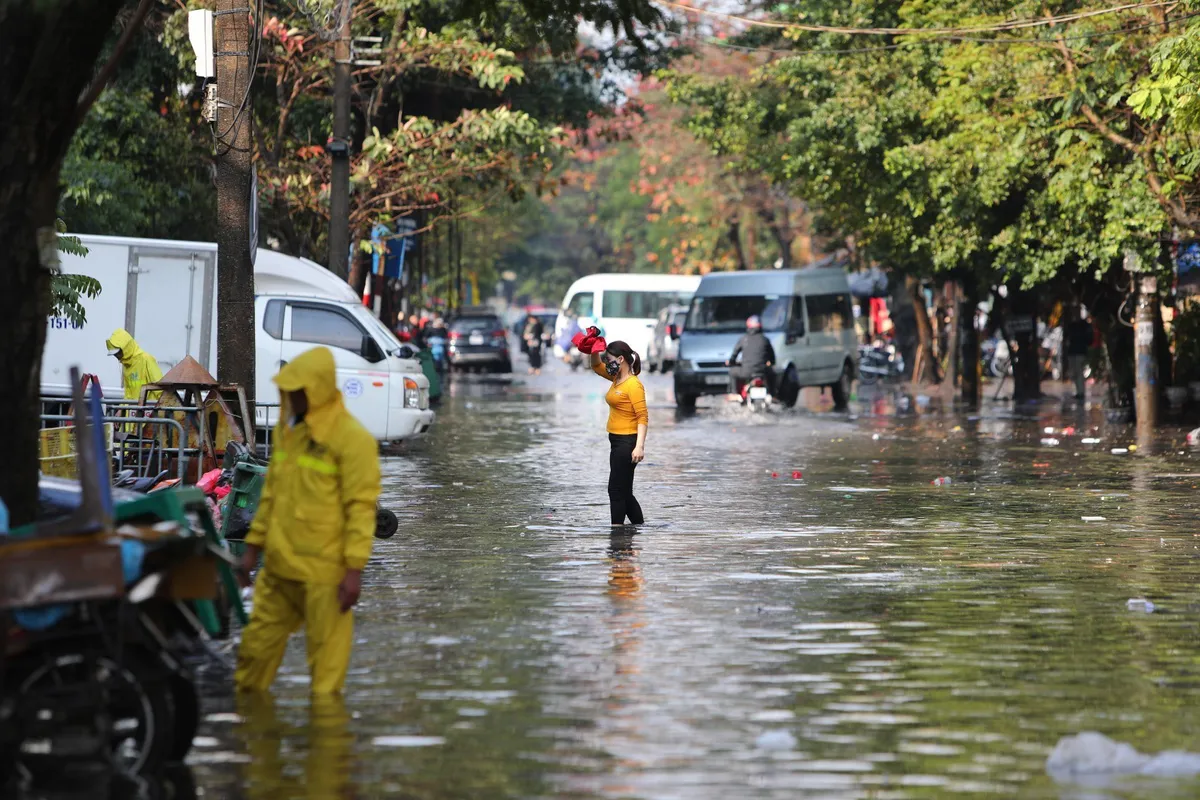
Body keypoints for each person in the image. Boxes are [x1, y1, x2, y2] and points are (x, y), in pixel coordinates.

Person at [235, 346, 382, 696]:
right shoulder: (291, 433)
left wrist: (353, 572)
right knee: (251, 666)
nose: (289, 397)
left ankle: (327, 747)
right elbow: (271, 495)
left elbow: (361, 509)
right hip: (280, 571)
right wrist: (251, 551)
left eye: (297, 390)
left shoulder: (353, 440)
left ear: (315, 389)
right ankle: (253, 742)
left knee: (325, 684)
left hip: (326, 578)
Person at [589, 339, 648, 526]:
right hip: (615, 441)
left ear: (621, 359)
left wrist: (639, 447)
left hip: (628, 442)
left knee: (615, 490)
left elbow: (642, 418)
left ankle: (617, 535)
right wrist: (593, 349)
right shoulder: (616, 378)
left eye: (610, 359)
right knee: (624, 491)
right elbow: (596, 366)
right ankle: (638, 528)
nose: (607, 363)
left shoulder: (633, 385)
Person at [105, 328, 163, 401]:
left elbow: (160, 387)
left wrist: (162, 408)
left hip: (149, 409)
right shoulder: (127, 365)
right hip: (135, 409)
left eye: (118, 353)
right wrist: (122, 409)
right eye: (115, 354)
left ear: (126, 347)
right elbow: (128, 394)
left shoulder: (146, 359)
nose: (117, 356)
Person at [726, 315, 776, 397]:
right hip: (763, 371)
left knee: (732, 371)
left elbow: (734, 354)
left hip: (746, 372)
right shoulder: (765, 339)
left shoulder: (743, 339)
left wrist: (731, 362)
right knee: (772, 373)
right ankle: (772, 394)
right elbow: (772, 357)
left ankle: (734, 394)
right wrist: (771, 363)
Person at [1065, 307, 1095, 400]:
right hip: (1073, 351)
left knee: (1078, 372)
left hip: (1080, 352)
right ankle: (1079, 391)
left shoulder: (1084, 325)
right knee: (1074, 373)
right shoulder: (1071, 325)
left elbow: (1089, 338)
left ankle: (1080, 392)